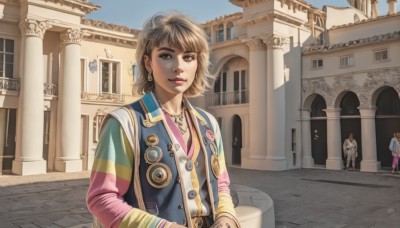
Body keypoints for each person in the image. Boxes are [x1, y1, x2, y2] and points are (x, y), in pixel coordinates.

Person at [86, 12, 240, 228]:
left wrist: (225, 218)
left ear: (198, 64)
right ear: (148, 63)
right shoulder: (124, 123)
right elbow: (102, 200)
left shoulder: (208, 123)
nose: (179, 66)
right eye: (167, 55)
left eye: (188, 57)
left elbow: (221, 185)